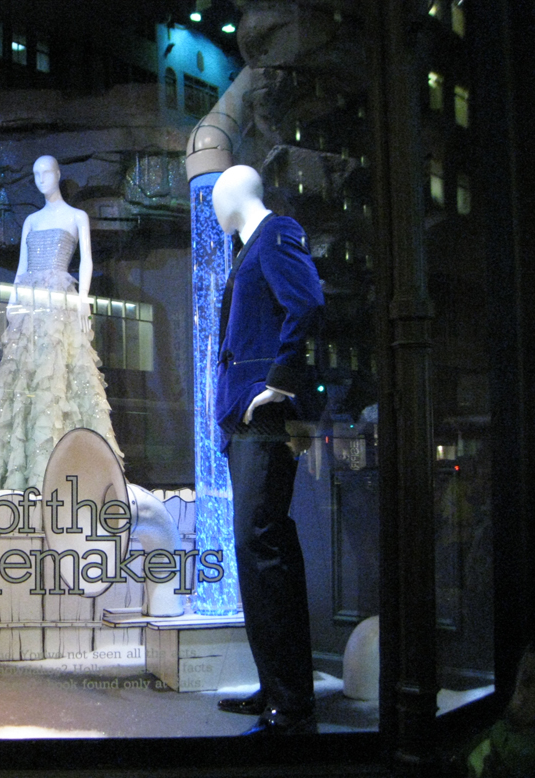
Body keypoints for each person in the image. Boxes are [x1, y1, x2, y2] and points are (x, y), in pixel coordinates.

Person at [210, 165, 325, 736]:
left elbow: (306, 302)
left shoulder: (277, 233)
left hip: (265, 418)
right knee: (259, 551)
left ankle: (293, 699)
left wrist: (275, 384)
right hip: (245, 421)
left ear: (233, 195)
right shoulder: (247, 250)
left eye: (214, 197)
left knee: (263, 545)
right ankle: (278, 686)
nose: (211, 207)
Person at [0, 155, 123, 491]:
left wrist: (83, 299)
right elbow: (21, 267)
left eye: (46, 172)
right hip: (30, 302)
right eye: (36, 174)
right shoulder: (31, 221)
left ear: (58, 174)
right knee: (25, 375)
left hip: (58, 297)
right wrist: (13, 304)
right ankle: (24, 471)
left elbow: (86, 261)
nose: (41, 179)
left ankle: (66, 469)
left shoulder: (76, 216)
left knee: (60, 374)